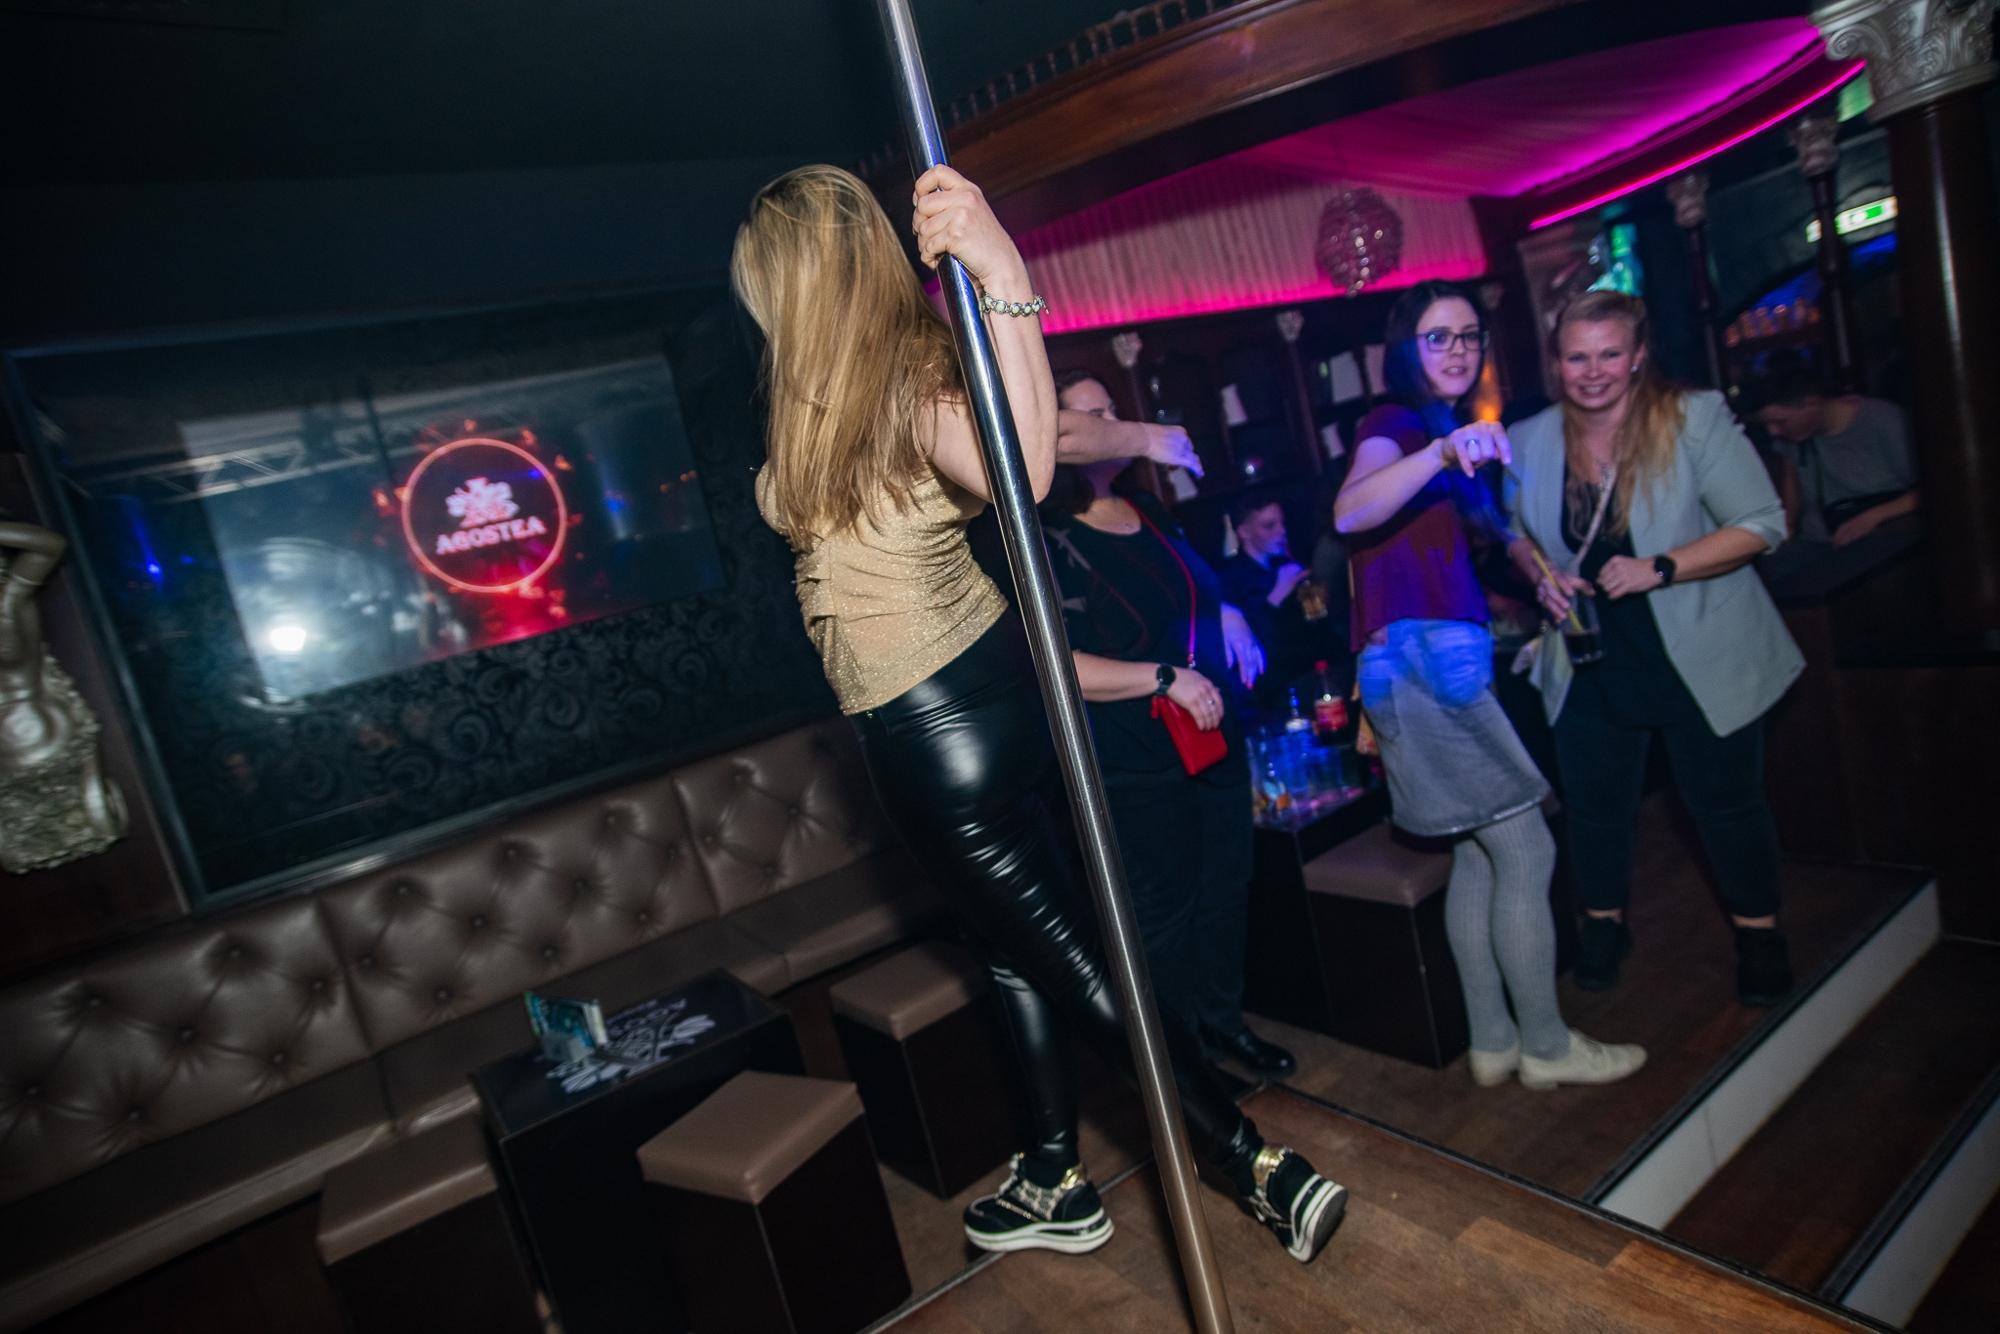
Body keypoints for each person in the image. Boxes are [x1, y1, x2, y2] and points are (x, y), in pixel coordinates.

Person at [731, 164, 1345, 1263]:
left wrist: (1002, 266)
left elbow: (1020, 467)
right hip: (993, 693)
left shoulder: (892, 378)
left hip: (933, 731)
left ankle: (1249, 1160)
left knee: (1074, 963)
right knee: (1012, 947)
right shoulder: (855, 382)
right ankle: (1054, 1174)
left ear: (789, 283)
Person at [1334, 279, 1644, 1091]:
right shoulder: (1395, 424)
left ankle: (1494, 1042)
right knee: (1527, 845)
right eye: (1439, 336)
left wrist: (1535, 574)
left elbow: (1491, 533)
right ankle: (1546, 1047)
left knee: (1477, 854)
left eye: (1470, 335)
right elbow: (1352, 511)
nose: (1459, 350)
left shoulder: (1443, 429)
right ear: (1406, 349)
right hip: (1427, 660)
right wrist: (1439, 453)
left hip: (1420, 659)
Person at [1505, 290, 1804, 1006]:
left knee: (1725, 804)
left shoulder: (1691, 416)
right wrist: (1541, 577)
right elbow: (1514, 532)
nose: (1593, 372)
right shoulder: (1530, 436)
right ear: (1555, 362)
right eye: (1577, 357)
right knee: (1594, 804)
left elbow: (1763, 523)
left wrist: (1659, 567)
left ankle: (1759, 935)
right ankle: (1604, 926)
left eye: (1610, 354)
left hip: (1696, 646)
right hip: (1587, 652)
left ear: (1639, 355)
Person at [1040, 370, 1296, 1080]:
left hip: (1211, 733)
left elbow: (1190, 586)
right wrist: (1164, 678)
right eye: (1092, 416)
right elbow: (1058, 667)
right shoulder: (1049, 537)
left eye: (1113, 410)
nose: (1112, 424)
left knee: (1226, 890)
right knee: (1166, 917)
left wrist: (1229, 611)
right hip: (1136, 753)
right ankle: (1186, 1072)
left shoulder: (1147, 507)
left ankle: (1225, 1025)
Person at [1749, 365, 1920, 548]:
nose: (1773, 431)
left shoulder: (1883, 420)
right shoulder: (1788, 440)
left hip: (1884, 538)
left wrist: (1874, 516)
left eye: (1780, 422)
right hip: (1818, 543)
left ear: (1812, 404)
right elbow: (1792, 493)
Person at [1219, 493, 1349, 711]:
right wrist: (1278, 593)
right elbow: (1253, 642)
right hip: (1274, 687)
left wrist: (1326, 605)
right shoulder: (1229, 578)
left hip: (1317, 670)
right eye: (1269, 525)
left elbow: (1319, 631)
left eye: (1282, 523)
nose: (1281, 531)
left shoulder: (1287, 563)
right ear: (1244, 532)